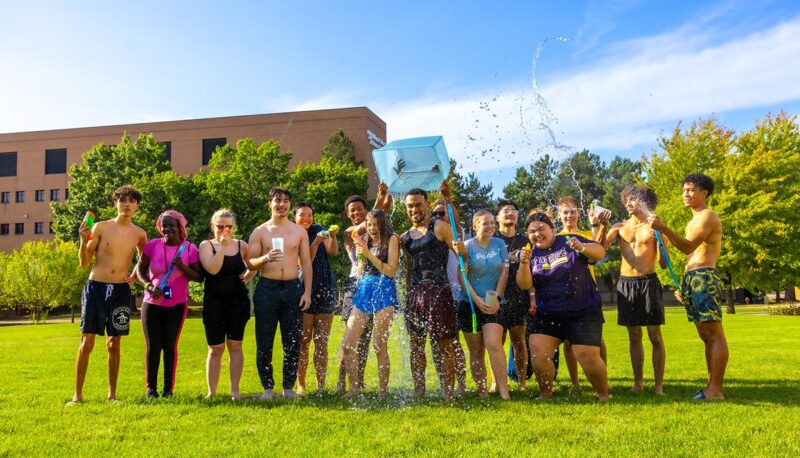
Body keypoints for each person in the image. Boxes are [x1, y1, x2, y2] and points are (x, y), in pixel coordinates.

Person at [648, 173, 728, 400]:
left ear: (704, 193)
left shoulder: (708, 216)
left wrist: (663, 228)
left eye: (691, 190)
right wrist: (685, 284)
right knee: (705, 334)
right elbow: (690, 253)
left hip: (704, 277)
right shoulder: (692, 221)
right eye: (684, 190)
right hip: (693, 279)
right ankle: (711, 386)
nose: (686, 194)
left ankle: (715, 390)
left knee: (714, 333)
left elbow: (688, 246)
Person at [68, 184, 147, 405]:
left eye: (132, 201)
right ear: (116, 203)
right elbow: (84, 263)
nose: (127, 204)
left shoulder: (140, 234)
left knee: (114, 344)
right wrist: (83, 240)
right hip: (96, 288)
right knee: (87, 343)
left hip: (120, 291)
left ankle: (112, 395)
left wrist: (133, 275)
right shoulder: (101, 227)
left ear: (137, 206)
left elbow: (145, 259)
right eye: (123, 200)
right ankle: (77, 396)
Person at [517, 211, 609, 401]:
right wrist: (524, 263)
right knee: (538, 352)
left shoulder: (568, 240)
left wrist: (582, 247)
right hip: (548, 313)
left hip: (583, 311)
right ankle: (546, 393)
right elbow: (525, 285)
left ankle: (603, 394)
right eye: (532, 231)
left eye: (542, 229)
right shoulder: (530, 253)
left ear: (552, 229)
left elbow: (600, 252)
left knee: (586, 355)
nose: (537, 234)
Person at [599, 185, 667, 394]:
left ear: (645, 201)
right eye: (626, 200)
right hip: (626, 284)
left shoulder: (655, 225)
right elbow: (599, 251)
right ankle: (638, 383)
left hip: (648, 282)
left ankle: (658, 386)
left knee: (654, 335)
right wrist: (602, 225)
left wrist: (662, 237)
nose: (628, 203)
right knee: (634, 335)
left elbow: (664, 264)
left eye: (633, 199)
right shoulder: (619, 227)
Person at [401, 181, 465, 401]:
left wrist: (463, 252)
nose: (414, 210)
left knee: (444, 344)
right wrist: (407, 294)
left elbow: (462, 257)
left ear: (426, 204)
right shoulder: (405, 237)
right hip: (415, 294)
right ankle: (420, 393)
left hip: (439, 292)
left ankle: (448, 393)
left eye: (418, 205)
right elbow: (409, 268)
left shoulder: (439, 227)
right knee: (416, 345)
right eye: (410, 206)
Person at [247, 187, 313, 400]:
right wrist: (265, 258)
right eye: (277, 200)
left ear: (289, 205)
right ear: (270, 204)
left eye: (285, 200)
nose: (282, 204)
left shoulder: (299, 231)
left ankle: (288, 388)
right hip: (267, 288)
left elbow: (306, 263)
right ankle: (267, 388)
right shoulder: (260, 231)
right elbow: (250, 262)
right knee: (264, 341)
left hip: (293, 288)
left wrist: (307, 292)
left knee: (292, 341)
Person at [136, 210, 203, 398]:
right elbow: (140, 271)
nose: (167, 229)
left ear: (180, 227)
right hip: (152, 303)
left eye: (171, 225)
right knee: (153, 345)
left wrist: (182, 267)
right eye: (164, 225)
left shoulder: (190, 249)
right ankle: (151, 389)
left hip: (177, 304)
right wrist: (149, 286)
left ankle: (167, 389)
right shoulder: (152, 246)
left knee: (170, 346)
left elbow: (199, 278)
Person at [337, 185, 392, 393]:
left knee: (367, 338)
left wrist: (386, 197)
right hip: (356, 286)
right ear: (347, 214)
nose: (356, 212)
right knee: (349, 336)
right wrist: (380, 198)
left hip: (373, 282)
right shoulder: (349, 232)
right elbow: (366, 225)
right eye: (352, 210)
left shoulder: (373, 231)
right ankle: (342, 381)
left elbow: (380, 216)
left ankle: (358, 381)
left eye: (360, 208)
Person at [199, 209, 256, 400]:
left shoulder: (242, 245)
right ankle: (212, 393)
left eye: (228, 227)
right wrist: (222, 247)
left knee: (235, 345)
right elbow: (213, 269)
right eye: (220, 226)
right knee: (215, 349)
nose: (224, 230)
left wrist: (250, 273)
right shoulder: (206, 245)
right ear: (213, 226)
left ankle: (235, 391)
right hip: (214, 303)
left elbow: (254, 263)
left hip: (237, 303)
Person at [555, 196, 608, 389]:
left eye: (572, 211)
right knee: (569, 341)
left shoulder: (587, 232)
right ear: (559, 215)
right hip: (566, 294)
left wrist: (599, 224)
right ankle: (575, 382)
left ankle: (604, 377)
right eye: (565, 212)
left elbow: (599, 249)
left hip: (588, 292)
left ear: (579, 213)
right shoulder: (556, 238)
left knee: (597, 339)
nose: (569, 215)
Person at [458, 210, 511, 400]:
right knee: (476, 350)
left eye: (492, 223)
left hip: (493, 303)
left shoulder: (499, 244)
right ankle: (482, 391)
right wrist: (476, 300)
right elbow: (461, 278)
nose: (490, 226)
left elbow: (505, 270)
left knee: (494, 344)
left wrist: (496, 297)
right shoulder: (466, 247)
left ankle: (504, 390)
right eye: (485, 223)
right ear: (475, 226)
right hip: (469, 304)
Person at [293, 202, 339, 395]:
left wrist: (333, 237)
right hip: (303, 290)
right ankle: (301, 384)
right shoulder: (293, 234)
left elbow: (333, 252)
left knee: (322, 341)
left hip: (325, 287)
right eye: (302, 215)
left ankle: (321, 384)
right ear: (294, 217)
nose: (306, 218)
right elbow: (302, 263)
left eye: (309, 215)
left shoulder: (319, 229)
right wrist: (316, 243)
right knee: (303, 341)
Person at [431, 199, 469, 395]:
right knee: (436, 344)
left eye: (442, 213)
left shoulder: (456, 232)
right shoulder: (433, 234)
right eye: (435, 214)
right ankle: (444, 383)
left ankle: (462, 385)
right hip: (438, 296)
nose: (438, 217)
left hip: (456, 296)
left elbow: (454, 217)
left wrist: (446, 198)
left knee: (453, 342)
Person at [495, 200, 529, 391]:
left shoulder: (525, 240)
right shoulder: (492, 238)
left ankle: (522, 382)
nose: (510, 214)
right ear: (497, 217)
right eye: (505, 211)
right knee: (495, 342)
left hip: (518, 295)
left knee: (519, 340)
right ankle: (496, 382)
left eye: (513, 211)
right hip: (495, 294)